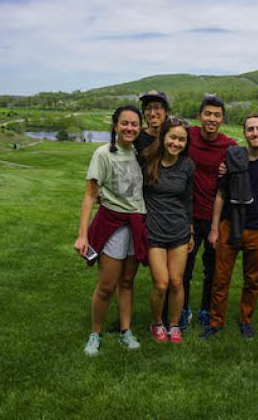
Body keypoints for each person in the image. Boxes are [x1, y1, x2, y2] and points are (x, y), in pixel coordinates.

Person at [200, 113, 258, 340]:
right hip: (229, 226)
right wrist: (215, 228)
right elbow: (220, 195)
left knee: (252, 280)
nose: (255, 133)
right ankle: (216, 321)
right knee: (220, 278)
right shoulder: (232, 160)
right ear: (244, 133)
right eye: (250, 129)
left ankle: (246, 320)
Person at [75, 105, 147, 356]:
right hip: (113, 225)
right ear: (115, 126)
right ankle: (95, 333)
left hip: (136, 224)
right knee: (107, 285)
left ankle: (126, 331)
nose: (129, 128)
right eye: (124, 123)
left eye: (134, 124)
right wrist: (83, 234)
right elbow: (89, 196)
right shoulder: (103, 154)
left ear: (140, 127)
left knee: (127, 282)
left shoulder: (140, 154)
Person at [106, 90, 170, 335]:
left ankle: (169, 317)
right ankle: (123, 321)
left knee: (170, 275)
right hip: (135, 210)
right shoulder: (137, 139)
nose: (153, 112)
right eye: (148, 109)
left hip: (165, 211)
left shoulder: (173, 135)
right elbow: (116, 158)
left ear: (165, 111)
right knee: (126, 273)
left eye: (158, 108)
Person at [183, 94, 237, 330]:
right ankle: (183, 308)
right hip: (189, 216)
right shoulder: (188, 136)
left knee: (212, 270)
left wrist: (231, 168)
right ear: (199, 116)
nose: (211, 119)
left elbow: (244, 170)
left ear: (222, 119)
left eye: (217, 115)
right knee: (184, 268)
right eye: (208, 114)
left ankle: (207, 308)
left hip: (217, 217)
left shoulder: (230, 146)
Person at [143, 117, 196, 344]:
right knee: (161, 283)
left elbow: (187, 200)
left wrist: (191, 231)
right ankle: (156, 322)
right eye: (173, 137)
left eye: (182, 139)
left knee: (177, 281)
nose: (176, 143)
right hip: (154, 231)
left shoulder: (187, 166)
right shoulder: (147, 162)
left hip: (179, 232)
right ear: (163, 137)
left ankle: (174, 325)